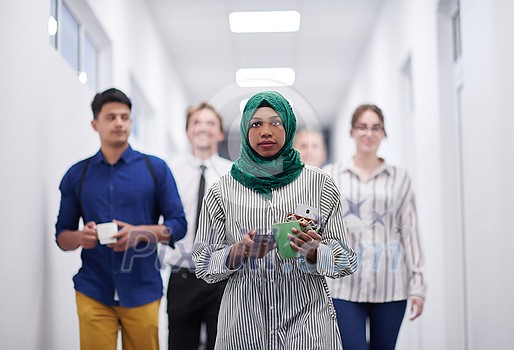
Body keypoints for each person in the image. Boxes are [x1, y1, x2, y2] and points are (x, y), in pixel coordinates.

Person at [192, 91, 358, 349]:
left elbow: (346, 261)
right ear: (245, 131)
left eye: (275, 122)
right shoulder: (222, 191)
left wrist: (315, 252)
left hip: (307, 323)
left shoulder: (319, 184)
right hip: (244, 326)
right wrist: (238, 251)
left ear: (289, 126)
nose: (266, 131)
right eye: (256, 124)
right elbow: (202, 263)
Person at [54, 88, 187, 350]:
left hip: (143, 290)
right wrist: (83, 237)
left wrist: (141, 233)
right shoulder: (77, 175)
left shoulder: (156, 169)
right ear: (95, 124)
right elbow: (62, 237)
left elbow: (178, 225)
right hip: (93, 291)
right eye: (111, 117)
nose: (119, 123)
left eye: (125, 117)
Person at [323, 104, 426, 350]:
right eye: (362, 127)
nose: (368, 133)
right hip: (344, 285)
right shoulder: (332, 175)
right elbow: (321, 227)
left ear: (383, 133)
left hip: (391, 285)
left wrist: (418, 285)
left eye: (375, 128)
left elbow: (410, 231)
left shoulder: (399, 177)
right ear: (351, 132)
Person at [165, 102, 232, 350]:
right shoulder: (170, 172)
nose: (203, 128)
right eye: (197, 122)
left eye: (210, 123)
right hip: (182, 275)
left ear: (220, 133)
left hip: (222, 278)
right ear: (187, 131)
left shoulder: (234, 174)